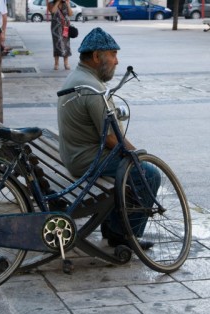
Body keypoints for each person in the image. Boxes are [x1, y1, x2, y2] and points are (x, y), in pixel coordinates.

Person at [57, 27, 160, 250]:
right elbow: (113, 139)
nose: (117, 61)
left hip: (74, 155)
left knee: (130, 170)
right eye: (112, 54)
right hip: (86, 160)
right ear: (96, 56)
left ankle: (113, 227)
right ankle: (124, 236)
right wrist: (140, 156)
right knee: (148, 175)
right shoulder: (92, 89)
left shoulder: (78, 77)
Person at [48, 0, 73, 70]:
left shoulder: (66, 3)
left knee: (66, 44)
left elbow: (70, 14)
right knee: (56, 44)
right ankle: (56, 63)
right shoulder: (51, 4)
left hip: (65, 27)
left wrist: (68, 4)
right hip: (56, 28)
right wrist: (58, 2)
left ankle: (66, 63)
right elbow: (52, 11)